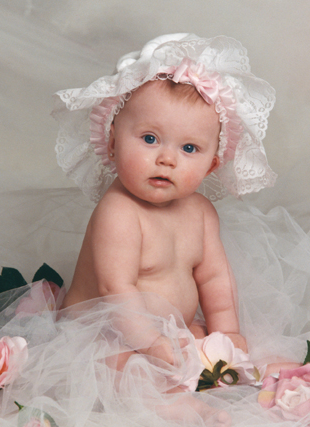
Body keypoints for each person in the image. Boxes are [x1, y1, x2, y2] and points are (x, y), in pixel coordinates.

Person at [52, 33, 277, 369]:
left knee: (211, 347)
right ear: (112, 142)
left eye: (189, 149)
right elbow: (116, 288)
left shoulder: (201, 213)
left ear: (212, 164)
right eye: (150, 138)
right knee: (120, 365)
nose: (166, 159)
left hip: (168, 333)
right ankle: (172, 406)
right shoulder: (119, 212)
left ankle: (187, 375)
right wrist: (150, 343)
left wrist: (226, 333)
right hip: (107, 334)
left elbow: (214, 278)